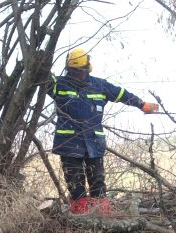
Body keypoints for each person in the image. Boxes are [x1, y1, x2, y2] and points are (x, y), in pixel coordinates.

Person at [48, 48, 159, 215]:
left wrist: (141, 104)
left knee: (97, 181)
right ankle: (81, 217)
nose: (76, 74)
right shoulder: (58, 83)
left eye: (79, 71)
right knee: (75, 182)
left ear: (87, 69)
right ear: (69, 69)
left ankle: (101, 215)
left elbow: (121, 94)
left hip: (93, 143)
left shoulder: (99, 85)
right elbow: (40, 77)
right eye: (73, 71)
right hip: (69, 144)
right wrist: (41, 59)